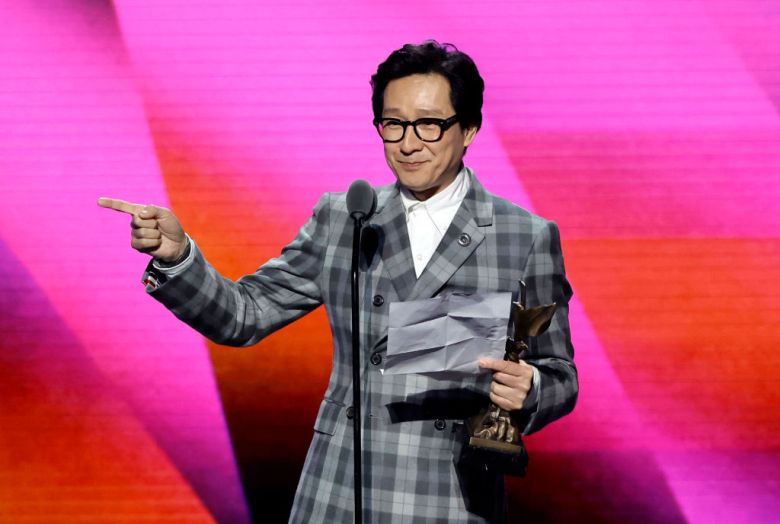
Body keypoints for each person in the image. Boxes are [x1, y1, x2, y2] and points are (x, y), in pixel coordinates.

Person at [98, 41, 577, 523]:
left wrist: (531, 387)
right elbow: (244, 314)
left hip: (447, 493)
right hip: (339, 488)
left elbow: (560, 374)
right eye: (393, 124)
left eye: (429, 125)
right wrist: (179, 257)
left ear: (469, 128)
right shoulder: (345, 217)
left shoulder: (524, 236)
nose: (409, 144)